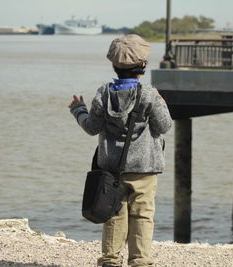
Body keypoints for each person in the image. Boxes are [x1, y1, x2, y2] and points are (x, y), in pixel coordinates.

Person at [69, 34, 172, 267]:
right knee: (142, 215)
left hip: (111, 168)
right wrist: (163, 104)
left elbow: (91, 128)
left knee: (114, 214)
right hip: (145, 168)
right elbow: (164, 126)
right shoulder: (149, 94)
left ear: (114, 65)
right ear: (143, 65)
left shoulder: (103, 93)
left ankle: (110, 261)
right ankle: (140, 261)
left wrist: (79, 109)